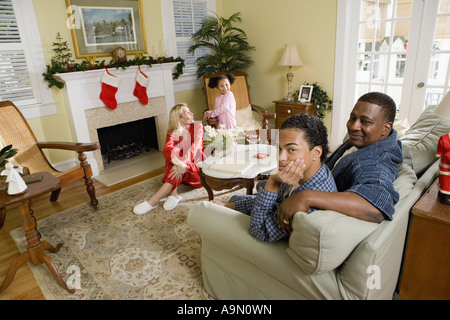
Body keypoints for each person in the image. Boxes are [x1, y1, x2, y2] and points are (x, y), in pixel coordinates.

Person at [277, 92, 403, 234]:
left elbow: (376, 206)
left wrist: (305, 197)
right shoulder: (365, 142)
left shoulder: (377, 162)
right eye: (352, 118)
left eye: (366, 121)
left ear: (386, 129)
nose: (354, 126)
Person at [212, 113, 337, 242]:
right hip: (274, 210)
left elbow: (258, 231)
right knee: (234, 199)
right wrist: (227, 207)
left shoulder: (309, 207)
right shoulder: (304, 172)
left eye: (291, 149)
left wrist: (273, 180)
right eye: (279, 148)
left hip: (266, 236)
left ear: (316, 152)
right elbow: (274, 201)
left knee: (215, 212)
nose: (280, 158)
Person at [133, 103, 206, 214]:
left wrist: (182, 164)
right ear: (179, 119)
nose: (192, 113)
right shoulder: (172, 133)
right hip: (183, 174)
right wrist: (178, 163)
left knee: (179, 161)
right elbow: (167, 149)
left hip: (198, 173)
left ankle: (154, 200)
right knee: (173, 156)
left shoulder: (198, 127)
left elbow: (194, 148)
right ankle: (173, 194)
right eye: (187, 112)